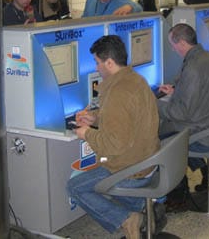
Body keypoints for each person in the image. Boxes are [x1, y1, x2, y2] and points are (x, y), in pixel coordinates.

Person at [66, 35, 160, 239]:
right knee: (98, 177)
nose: (96, 67)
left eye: (97, 62)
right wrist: (95, 118)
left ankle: (126, 219)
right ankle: (143, 207)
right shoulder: (135, 80)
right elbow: (126, 119)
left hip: (131, 170)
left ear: (109, 62)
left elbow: (114, 145)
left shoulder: (118, 91)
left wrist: (86, 133)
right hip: (148, 162)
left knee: (75, 187)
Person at [157, 24, 209, 206]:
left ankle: (178, 197)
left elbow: (181, 112)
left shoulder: (193, 67)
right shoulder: (208, 58)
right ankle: (206, 174)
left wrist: (152, 104)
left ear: (181, 43)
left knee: (163, 136)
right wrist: (176, 90)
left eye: (172, 44)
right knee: (176, 132)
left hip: (206, 131)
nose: (172, 49)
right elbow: (202, 91)